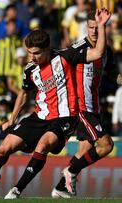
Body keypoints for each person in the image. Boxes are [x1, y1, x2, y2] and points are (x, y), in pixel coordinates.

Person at [0, 8, 111, 199]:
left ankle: (16, 191)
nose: (31, 58)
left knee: (43, 145)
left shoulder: (65, 57)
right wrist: (12, 119)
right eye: (29, 53)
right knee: (4, 147)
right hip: (39, 116)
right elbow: (23, 93)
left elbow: (98, 52)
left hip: (64, 118)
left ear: (46, 50)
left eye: (35, 53)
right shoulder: (30, 69)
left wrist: (101, 26)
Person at [51, 9, 117, 198]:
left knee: (85, 149)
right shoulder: (78, 49)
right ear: (86, 28)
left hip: (94, 107)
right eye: (91, 28)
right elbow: (58, 62)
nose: (95, 31)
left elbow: (113, 73)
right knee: (106, 146)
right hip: (81, 108)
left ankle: (61, 187)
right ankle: (71, 172)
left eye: (98, 28)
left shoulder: (106, 51)